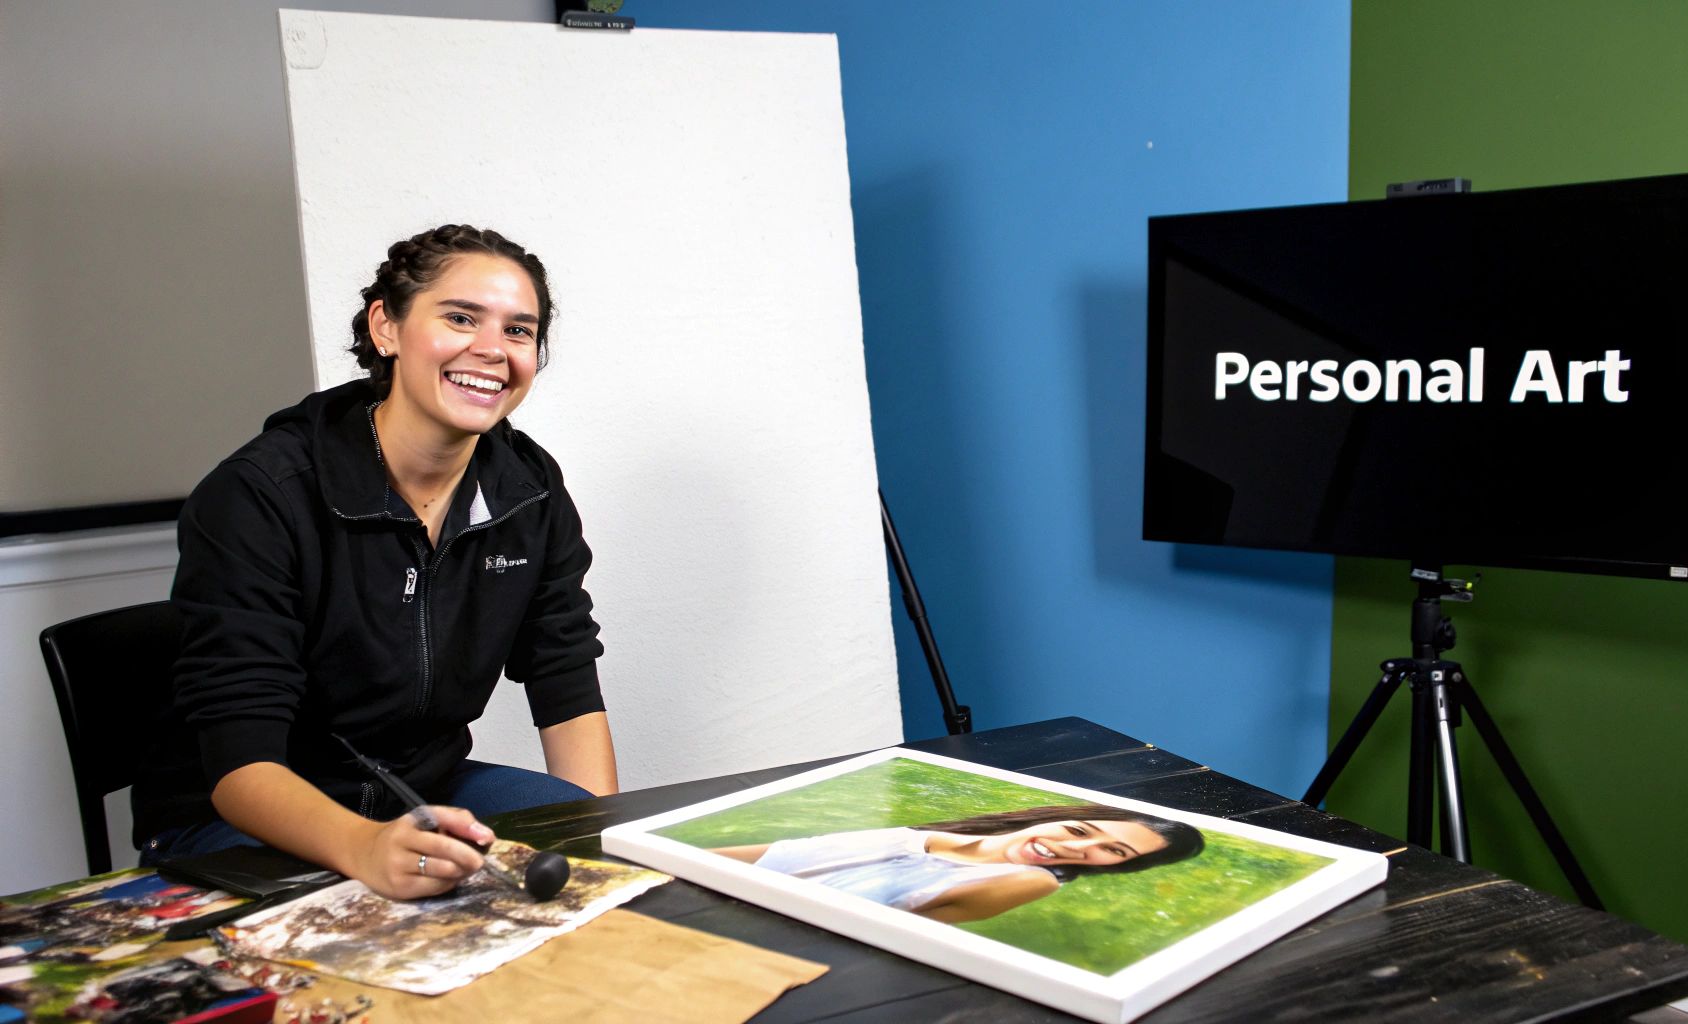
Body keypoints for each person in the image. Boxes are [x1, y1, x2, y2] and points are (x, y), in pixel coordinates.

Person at [132, 224, 616, 899]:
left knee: (592, 876)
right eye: (460, 318)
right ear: (385, 327)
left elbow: (563, 674)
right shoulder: (259, 495)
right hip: (238, 816)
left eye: (518, 331)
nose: (492, 350)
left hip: (424, 788)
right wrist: (367, 849)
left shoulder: (528, 488)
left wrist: (595, 837)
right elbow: (242, 764)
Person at [712, 805, 1204, 923]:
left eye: (1113, 852)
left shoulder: (1027, 881)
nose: (1078, 849)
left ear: (1117, 867)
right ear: (1061, 816)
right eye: (1079, 830)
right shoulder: (913, 837)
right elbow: (776, 855)